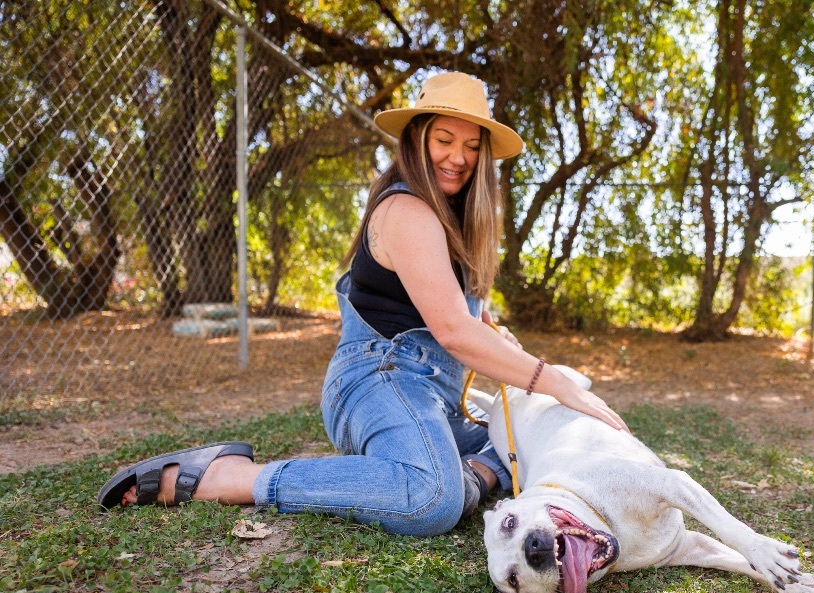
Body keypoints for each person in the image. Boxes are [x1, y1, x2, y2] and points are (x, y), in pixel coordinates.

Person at [97, 72, 627, 537]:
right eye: (444, 139)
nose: (459, 157)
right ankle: (225, 476)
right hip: (379, 381)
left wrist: (496, 336)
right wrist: (553, 379)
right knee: (431, 500)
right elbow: (452, 332)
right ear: (417, 138)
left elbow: (468, 324)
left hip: (432, 400)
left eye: (471, 146)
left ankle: (475, 474)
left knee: (536, 447)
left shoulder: (458, 225)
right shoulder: (407, 211)